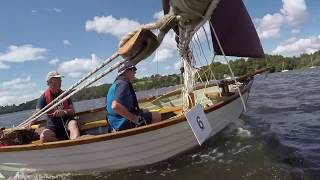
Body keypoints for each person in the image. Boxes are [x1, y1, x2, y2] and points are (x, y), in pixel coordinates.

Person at [106, 61, 161, 131]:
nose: (135, 72)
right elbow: (115, 106)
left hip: (114, 121)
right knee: (157, 116)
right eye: (133, 69)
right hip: (121, 122)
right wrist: (134, 119)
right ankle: (149, 138)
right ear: (126, 71)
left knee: (146, 110)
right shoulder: (123, 84)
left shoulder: (116, 83)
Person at [36, 71, 80, 142]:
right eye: (56, 80)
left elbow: (73, 111)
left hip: (67, 122)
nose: (59, 82)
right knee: (43, 137)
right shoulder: (43, 98)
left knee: (73, 124)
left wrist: (64, 112)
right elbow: (37, 113)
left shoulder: (65, 95)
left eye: (60, 80)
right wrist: (30, 123)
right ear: (49, 83)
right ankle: (61, 142)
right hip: (52, 126)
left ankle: (75, 144)